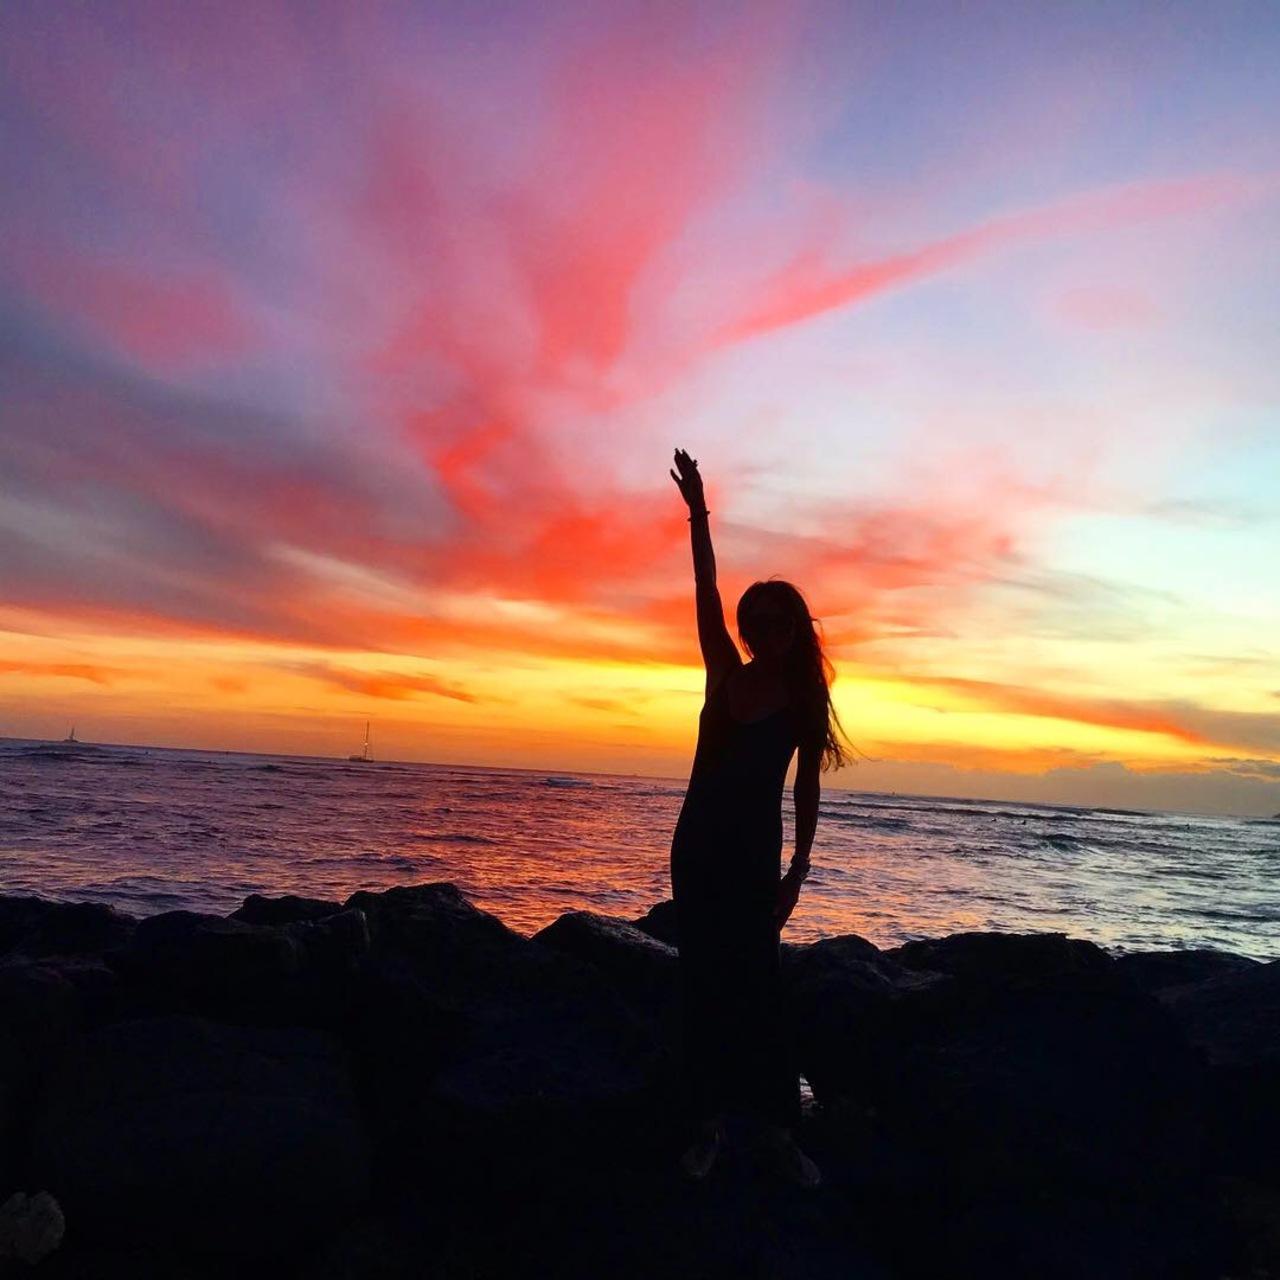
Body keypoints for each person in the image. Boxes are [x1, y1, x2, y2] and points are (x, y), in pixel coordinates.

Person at [667, 447, 852, 1187]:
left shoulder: (804, 700)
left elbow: (806, 788)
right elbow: (704, 587)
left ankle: (777, 1131)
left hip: (753, 856)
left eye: (782, 624)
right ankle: (704, 1125)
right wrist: (699, 513)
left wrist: (799, 869)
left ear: (797, 630)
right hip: (697, 847)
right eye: (759, 623)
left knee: (759, 987)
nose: (768, 634)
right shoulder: (723, 672)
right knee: (702, 982)